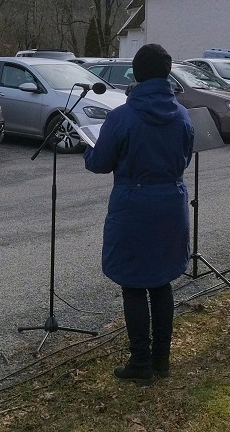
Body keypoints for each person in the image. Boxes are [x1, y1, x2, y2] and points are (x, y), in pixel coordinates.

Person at [84, 44, 193, 384]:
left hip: (133, 204)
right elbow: (185, 157)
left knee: (133, 283)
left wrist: (91, 152)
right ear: (167, 73)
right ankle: (161, 360)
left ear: (137, 74)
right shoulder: (183, 114)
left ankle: (141, 363)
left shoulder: (122, 116)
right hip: (171, 202)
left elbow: (99, 163)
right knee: (161, 282)